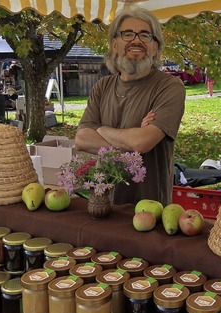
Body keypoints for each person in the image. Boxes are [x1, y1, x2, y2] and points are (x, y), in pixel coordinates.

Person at [74, 7, 186, 206]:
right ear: (115, 45)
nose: (136, 40)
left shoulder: (169, 86)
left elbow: (142, 143)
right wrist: (130, 141)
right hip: (102, 203)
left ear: (155, 47)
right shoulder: (102, 87)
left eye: (145, 35)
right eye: (127, 34)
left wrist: (101, 129)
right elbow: (82, 139)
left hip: (150, 208)